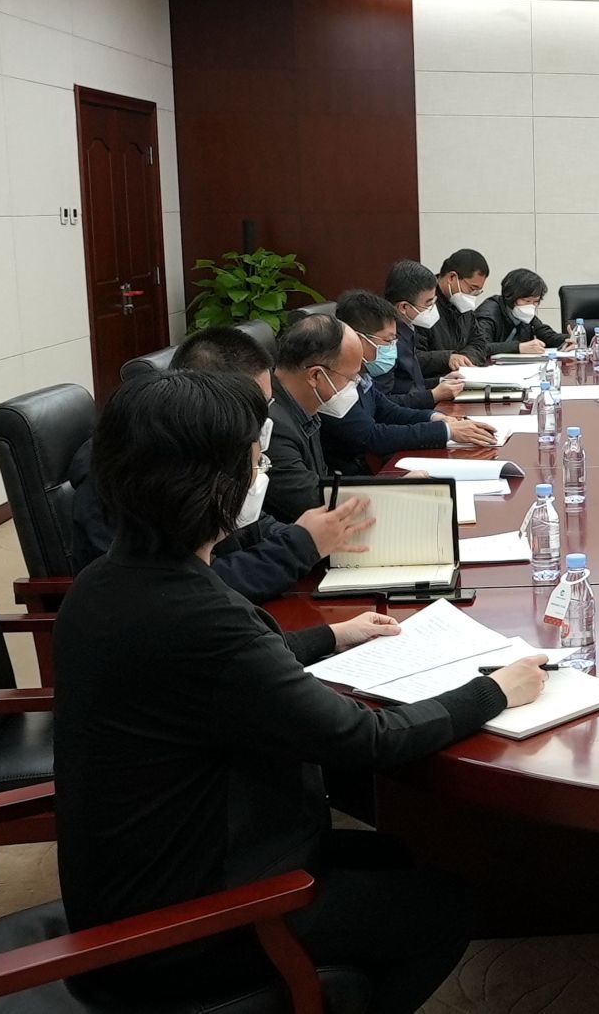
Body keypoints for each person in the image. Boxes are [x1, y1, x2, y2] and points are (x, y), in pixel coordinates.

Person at [54, 369, 547, 1013]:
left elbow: (220, 672)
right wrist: (495, 692)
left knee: (398, 854)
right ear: (215, 486)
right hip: (186, 927)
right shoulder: (198, 614)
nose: (261, 475)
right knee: (443, 907)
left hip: (152, 875)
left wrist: (332, 637)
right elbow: (364, 739)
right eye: (254, 462)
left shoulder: (110, 581)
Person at [66, 327, 373, 602]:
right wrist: (299, 546)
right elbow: (187, 585)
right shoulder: (132, 476)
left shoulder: (202, 450)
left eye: (267, 404)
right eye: (256, 407)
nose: (266, 419)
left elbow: (252, 527)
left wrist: (317, 538)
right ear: (213, 403)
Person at [321, 290, 496, 474]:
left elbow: (388, 410)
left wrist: (438, 418)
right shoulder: (332, 382)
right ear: (356, 339)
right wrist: (447, 431)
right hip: (348, 478)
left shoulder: (361, 376)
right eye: (388, 341)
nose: (392, 348)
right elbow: (373, 436)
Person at [264, 311, 365, 523]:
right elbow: (315, 500)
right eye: (350, 378)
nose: (355, 385)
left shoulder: (304, 406)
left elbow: (324, 481)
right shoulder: (272, 426)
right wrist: (396, 490)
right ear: (316, 375)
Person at [381, 259, 465, 410]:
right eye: (428, 303)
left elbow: (413, 384)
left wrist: (441, 381)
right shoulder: (387, 342)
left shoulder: (408, 328)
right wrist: (433, 395)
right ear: (404, 307)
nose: (433, 308)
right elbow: (383, 403)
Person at [423, 248, 492, 373]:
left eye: (477, 291)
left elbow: (479, 343)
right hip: (434, 380)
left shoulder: (464, 305)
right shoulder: (423, 302)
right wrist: (448, 358)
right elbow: (413, 356)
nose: (472, 295)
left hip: (460, 376)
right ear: (452, 277)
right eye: (472, 288)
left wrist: (464, 358)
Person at [477, 268, 564, 355]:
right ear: (511, 297)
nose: (531, 306)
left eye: (536, 301)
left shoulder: (526, 316)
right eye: (527, 301)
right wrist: (518, 347)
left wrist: (568, 339)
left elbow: (547, 336)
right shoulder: (489, 312)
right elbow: (479, 347)